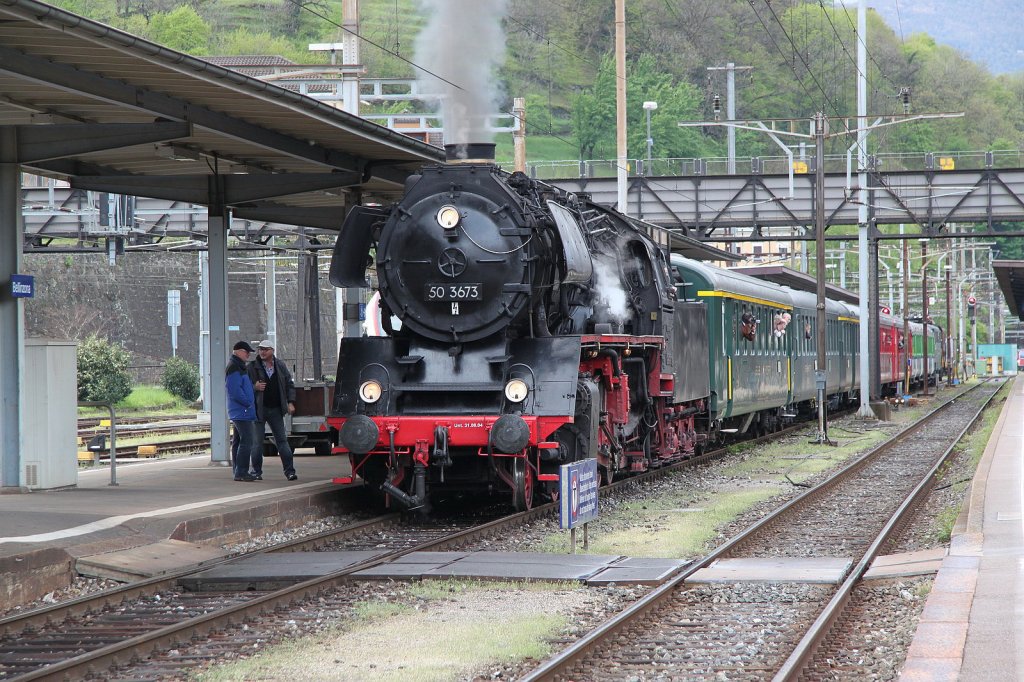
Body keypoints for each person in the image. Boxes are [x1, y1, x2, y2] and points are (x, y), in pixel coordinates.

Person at [249, 339, 298, 481]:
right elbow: (244, 386)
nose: (262, 352)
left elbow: (289, 384)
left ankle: (290, 471)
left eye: (265, 349)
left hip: (276, 409)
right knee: (257, 442)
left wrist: (290, 402)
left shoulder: (280, 366)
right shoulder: (252, 367)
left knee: (282, 441)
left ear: (272, 351)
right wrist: (254, 387)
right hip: (259, 409)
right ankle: (256, 472)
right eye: (260, 349)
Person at [226, 340, 259, 482]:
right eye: (246, 352)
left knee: (238, 441)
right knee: (247, 441)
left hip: (241, 411)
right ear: (238, 351)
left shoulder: (238, 366)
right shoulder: (234, 367)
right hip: (242, 411)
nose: (248, 355)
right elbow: (234, 390)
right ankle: (241, 472)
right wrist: (248, 403)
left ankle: (237, 471)